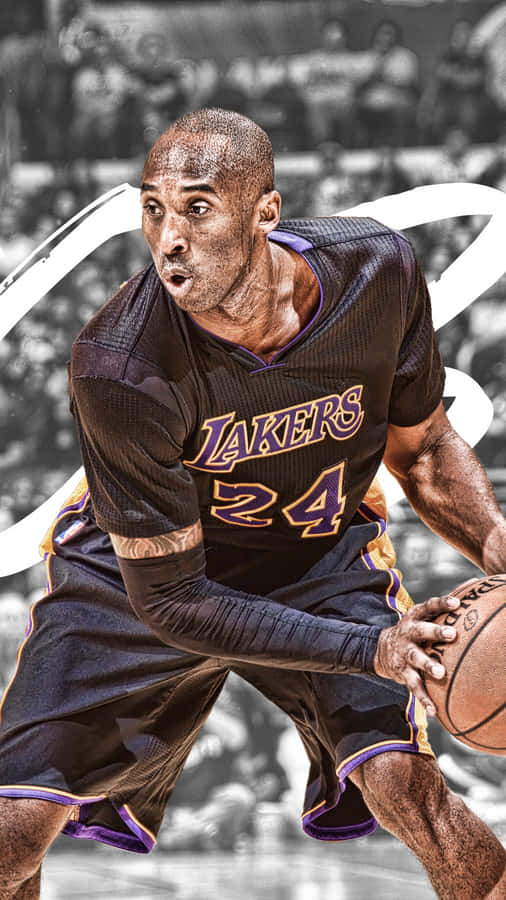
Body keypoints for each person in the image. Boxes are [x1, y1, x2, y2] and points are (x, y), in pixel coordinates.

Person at [0, 109, 505, 900]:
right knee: (13, 827)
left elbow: (427, 451)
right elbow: (173, 599)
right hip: (144, 579)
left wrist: (498, 543)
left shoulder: (378, 269)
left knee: (412, 791)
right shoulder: (119, 364)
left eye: (197, 208)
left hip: (314, 555)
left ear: (265, 211)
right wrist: (368, 647)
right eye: (153, 209)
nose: (169, 238)